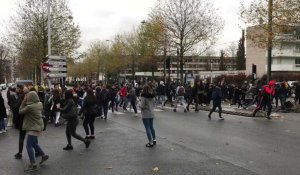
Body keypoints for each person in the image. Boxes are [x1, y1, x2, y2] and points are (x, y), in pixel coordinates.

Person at [19, 91, 49, 172]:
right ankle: (43, 155)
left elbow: (20, 111)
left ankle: (33, 164)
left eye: (28, 96)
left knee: (28, 146)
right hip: (38, 126)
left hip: (34, 128)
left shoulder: (30, 107)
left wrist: (23, 101)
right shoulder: (39, 103)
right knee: (34, 143)